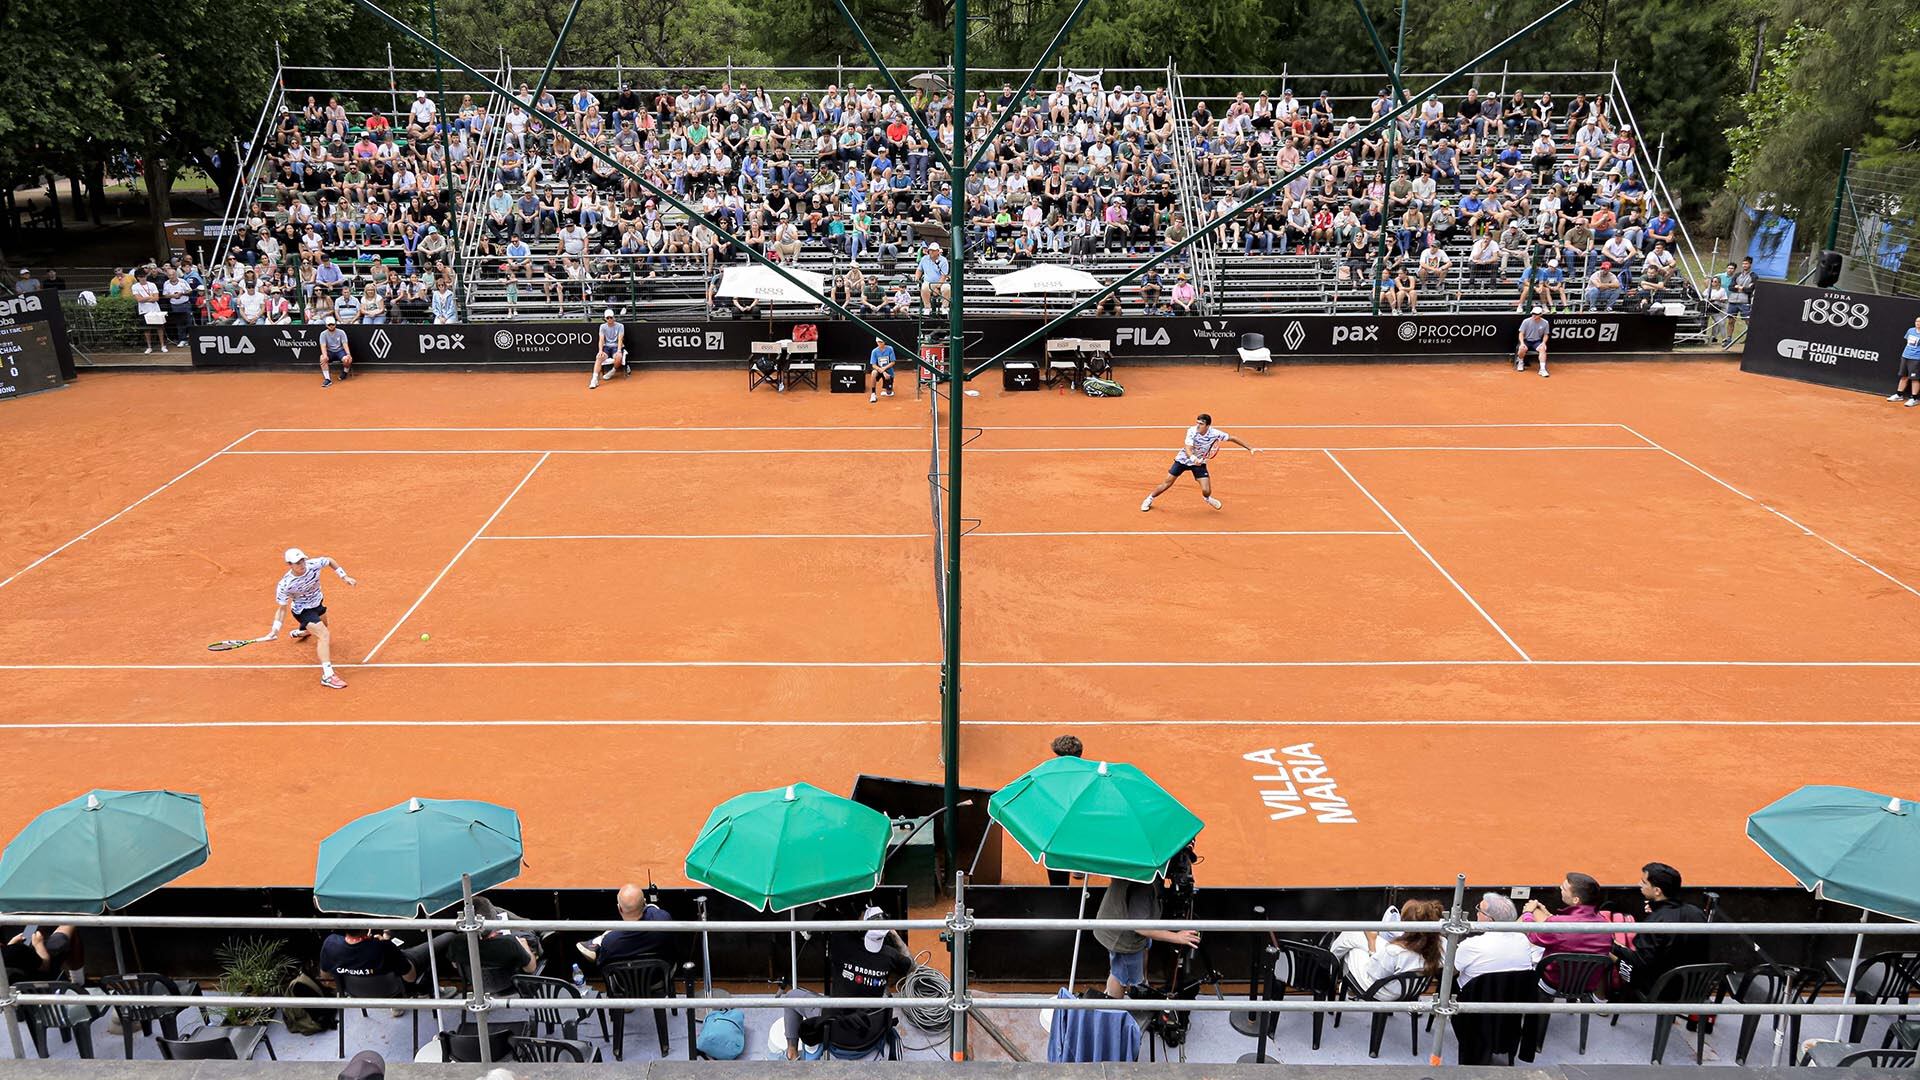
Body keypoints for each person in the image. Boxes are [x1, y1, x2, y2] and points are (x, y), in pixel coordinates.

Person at [784, 905, 914, 1058]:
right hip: (870, 1035)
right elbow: (911, 966)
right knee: (883, 992)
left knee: (791, 996)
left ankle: (792, 1053)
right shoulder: (891, 956)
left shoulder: (842, 944)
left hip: (837, 1035)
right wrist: (894, 934)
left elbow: (837, 925)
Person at [1093, 862, 1199, 997]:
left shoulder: (1142, 867)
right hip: (1122, 937)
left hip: (1116, 926)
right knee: (1120, 976)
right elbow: (1140, 927)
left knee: (1123, 966)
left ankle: (1138, 985)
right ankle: (1115, 1006)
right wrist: (1177, 937)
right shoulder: (1144, 886)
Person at [269, 547, 357, 690]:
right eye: (297, 563)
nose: (302, 564)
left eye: (303, 560)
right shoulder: (285, 584)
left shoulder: (313, 565)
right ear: (289, 564)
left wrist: (344, 576)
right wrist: (275, 629)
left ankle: (303, 632)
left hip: (317, 603)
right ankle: (328, 676)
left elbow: (329, 561)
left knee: (324, 626)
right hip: (303, 611)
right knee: (324, 635)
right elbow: (282, 609)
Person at [1140, 412, 1260, 513]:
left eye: (1201, 424)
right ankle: (1149, 499)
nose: (1198, 425)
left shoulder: (1215, 433)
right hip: (1183, 460)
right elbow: (1188, 448)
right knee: (1167, 483)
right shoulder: (1192, 431)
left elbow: (1233, 438)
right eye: (1197, 422)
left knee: (1206, 490)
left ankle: (1207, 498)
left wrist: (1250, 448)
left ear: (1208, 426)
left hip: (1199, 463)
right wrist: (1193, 459)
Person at [1328, 898, 1444, 996]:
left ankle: (1329, 968)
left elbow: (1373, 974)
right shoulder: (1439, 944)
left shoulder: (1393, 951)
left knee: (1353, 947)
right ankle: (1337, 974)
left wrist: (1372, 943)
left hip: (1381, 991)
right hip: (1411, 989)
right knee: (1355, 936)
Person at [1621, 861, 1706, 993]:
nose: (1639, 884)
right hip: (1694, 989)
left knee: (1610, 950)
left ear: (1657, 891)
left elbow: (1640, 963)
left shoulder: (1655, 922)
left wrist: (1616, 947)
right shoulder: (1697, 913)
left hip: (1661, 990)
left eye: (1644, 882)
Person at [1522, 872, 1613, 993]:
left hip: (1553, 983)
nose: (1560, 888)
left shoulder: (1558, 924)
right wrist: (1549, 916)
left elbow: (1533, 936)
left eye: (1564, 888)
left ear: (1576, 900)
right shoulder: (1605, 924)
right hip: (1587, 985)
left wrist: (1527, 913)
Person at [577, 883, 674, 968]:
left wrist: (606, 937)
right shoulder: (664, 920)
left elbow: (602, 965)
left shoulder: (610, 941)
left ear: (619, 908)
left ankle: (596, 942)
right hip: (660, 978)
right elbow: (653, 909)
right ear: (644, 902)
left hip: (623, 982)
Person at [1452, 895, 1535, 986]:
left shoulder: (1469, 945)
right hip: (1516, 993)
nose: (1477, 913)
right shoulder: (1522, 939)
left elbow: (1451, 970)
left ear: (1489, 919)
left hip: (1472, 994)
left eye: (1479, 909)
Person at [2, 924, 76, 980]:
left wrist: (11, 944)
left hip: (17, 963)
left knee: (32, 925)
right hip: (41, 974)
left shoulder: (13, 951)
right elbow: (45, 966)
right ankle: (77, 979)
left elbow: (8, 955)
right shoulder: (18, 950)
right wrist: (38, 944)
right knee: (68, 924)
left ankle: (37, 918)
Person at [589, 308, 627, 390]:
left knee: (619, 357)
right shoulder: (602, 327)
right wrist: (600, 350)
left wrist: (619, 350)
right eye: (607, 318)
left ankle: (612, 371)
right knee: (599, 357)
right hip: (606, 347)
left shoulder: (620, 326)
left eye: (611, 317)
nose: (609, 319)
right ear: (605, 318)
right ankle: (594, 379)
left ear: (614, 317)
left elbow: (620, 339)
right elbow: (601, 340)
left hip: (616, 346)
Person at [1888, 316, 1920, 408]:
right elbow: (1908, 343)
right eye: (1916, 321)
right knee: (1904, 376)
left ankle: (1914, 399)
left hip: (1916, 359)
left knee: (1914, 379)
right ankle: (1899, 395)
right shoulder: (1910, 330)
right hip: (1905, 356)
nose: (1918, 323)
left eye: (1919, 322)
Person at [1516, 306, 1550, 377]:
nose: (1534, 315)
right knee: (1522, 348)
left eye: (1536, 314)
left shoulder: (1545, 323)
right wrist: (1522, 343)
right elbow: (1521, 333)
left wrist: (1543, 343)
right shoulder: (1526, 321)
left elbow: (1546, 335)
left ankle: (1542, 369)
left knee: (1542, 349)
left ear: (1541, 314)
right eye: (1533, 313)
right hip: (1526, 341)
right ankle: (1521, 362)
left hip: (1537, 342)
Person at [319, 315, 352, 386]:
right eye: (329, 325)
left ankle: (345, 372)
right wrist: (325, 356)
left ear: (335, 324)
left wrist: (348, 354)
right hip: (329, 352)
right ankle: (327, 379)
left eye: (332, 324)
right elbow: (323, 346)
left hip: (340, 351)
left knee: (347, 359)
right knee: (322, 358)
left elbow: (345, 344)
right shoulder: (323, 334)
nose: (331, 326)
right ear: (326, 325)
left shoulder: (341, 332)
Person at [866, 336, 895, 403]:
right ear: (876, 342)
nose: (880, 343)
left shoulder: (890, 349)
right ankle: (873, 394)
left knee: (889, 393)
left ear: (884, 342)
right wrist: (883, 372)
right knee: (873, 373)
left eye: (881, 342)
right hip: (879, 371)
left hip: (888, 372)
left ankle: (888, 390)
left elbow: (893, 362)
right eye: (878, 342)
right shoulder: (874, 351)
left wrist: (884, 369)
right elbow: (873, 365)